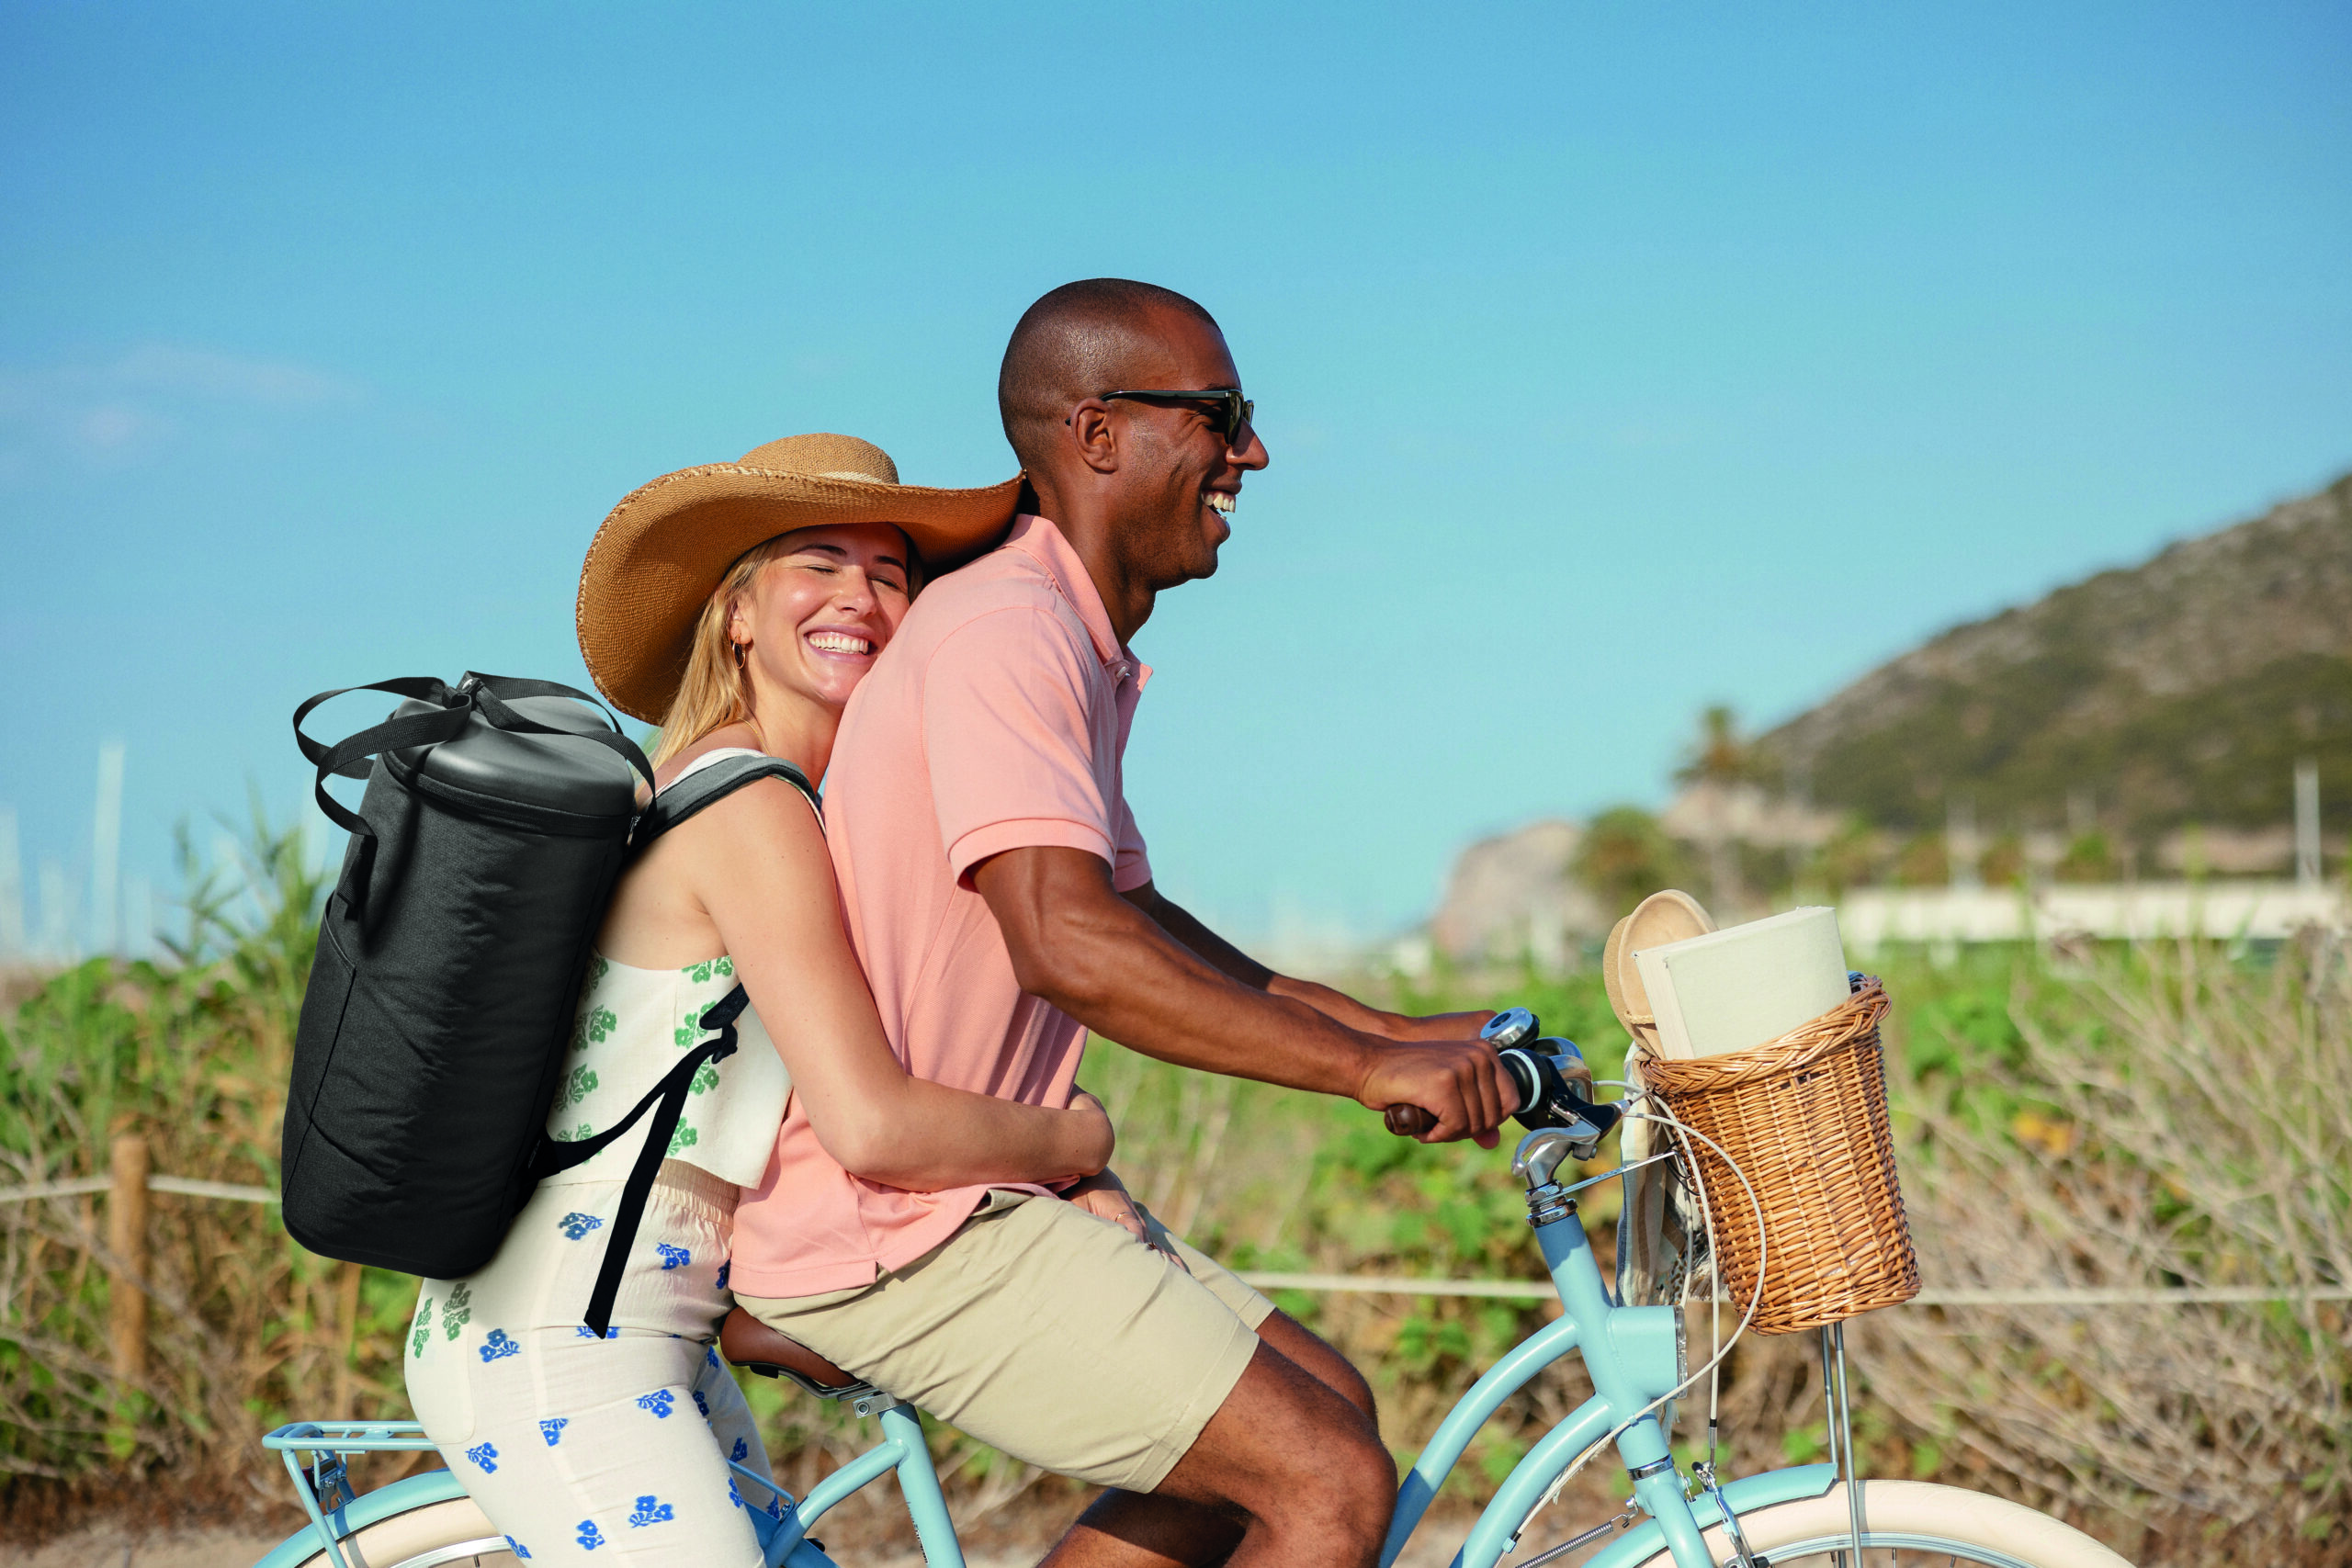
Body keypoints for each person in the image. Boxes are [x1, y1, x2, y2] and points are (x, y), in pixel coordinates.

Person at [730, 285, 1515, 1568]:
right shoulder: (1006, 628)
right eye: (1222, 415)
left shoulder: (1062, 634)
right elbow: (1067, 943)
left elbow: (1136, 918)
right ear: (1098, 433)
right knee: (1325, 1483)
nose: (1252, 452)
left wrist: (1398, 1027)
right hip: (898, 1224)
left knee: (1330, 1407)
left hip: (978, 1194)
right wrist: (1364, 1070)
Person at [403, 433, 1117, 1567]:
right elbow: (873, 1122)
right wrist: (1077, 1142)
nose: (860, 598)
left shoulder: (792, 811)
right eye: (818, 564)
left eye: (890, 574)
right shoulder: (750, 808)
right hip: (561, 1333)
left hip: (658, 1328)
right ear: (736, 612)